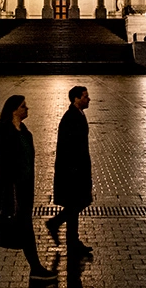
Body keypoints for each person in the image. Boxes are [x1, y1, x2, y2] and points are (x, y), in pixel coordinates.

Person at [0, 95, 56, 282]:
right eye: (23, 106)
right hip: (11, 188)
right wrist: (11, 189)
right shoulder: (6, 133)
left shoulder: (24, 132)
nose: (27, 108)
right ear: (14, 110)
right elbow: (5, 165)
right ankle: (36, 268)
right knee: (22, 225)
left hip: (24, 187)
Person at [45, 86, 93, 256]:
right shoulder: (71, 117)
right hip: (73, 170)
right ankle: (57, 226)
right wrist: (73, 170)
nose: (89, 99)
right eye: (85, 97)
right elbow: (69, 147)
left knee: (76, 204)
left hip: (76, 168)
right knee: (77, 203)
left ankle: (72, 240)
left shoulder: (77, 114)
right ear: (76, 99)